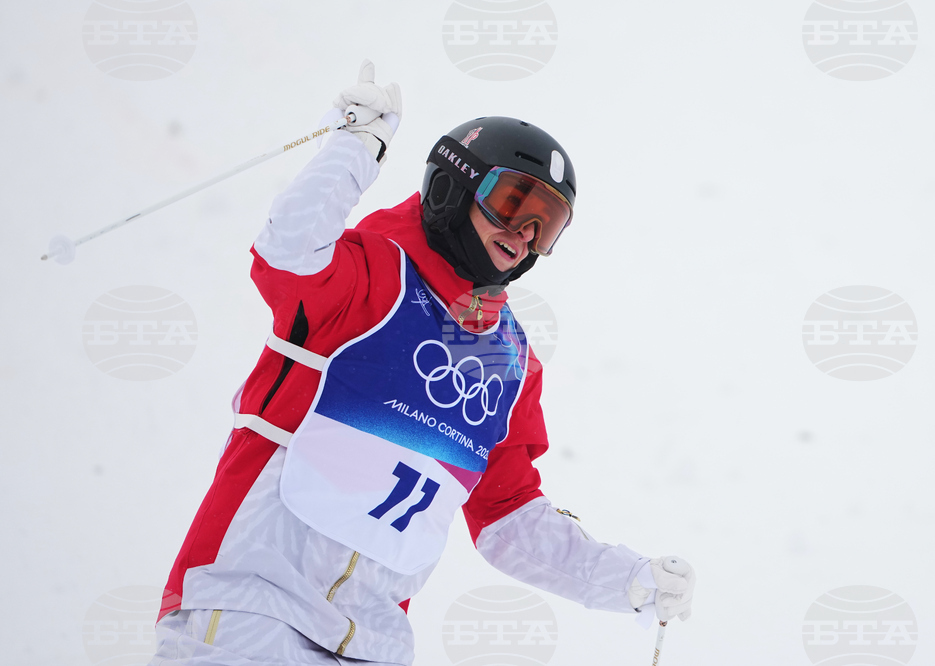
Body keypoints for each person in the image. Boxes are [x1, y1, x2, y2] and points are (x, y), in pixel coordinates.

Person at [149, 61, 695, 666]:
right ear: (453, 187)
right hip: (251, 608)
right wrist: (354, 148)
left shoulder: (510, 364)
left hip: (373, 646)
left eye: (548, 224)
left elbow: (508, 518)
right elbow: (286, 253)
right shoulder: (370, 272)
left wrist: (627, 580)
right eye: (515, 202)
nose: (526, 233)